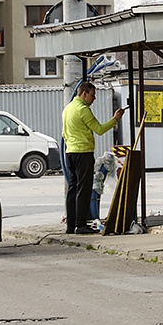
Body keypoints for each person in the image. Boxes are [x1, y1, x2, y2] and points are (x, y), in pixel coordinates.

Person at [62, 81, 124, 234]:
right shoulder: (83, 110)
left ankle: (71, 225)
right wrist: (115, 119)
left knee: (72, 188)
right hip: (83, 153)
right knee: (83, 190)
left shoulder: (68, 109)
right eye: (92, 95)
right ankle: (81, 225)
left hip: (70, 153)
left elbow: (64, 133)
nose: (94, 98)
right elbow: (100, 129)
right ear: (84, 94)